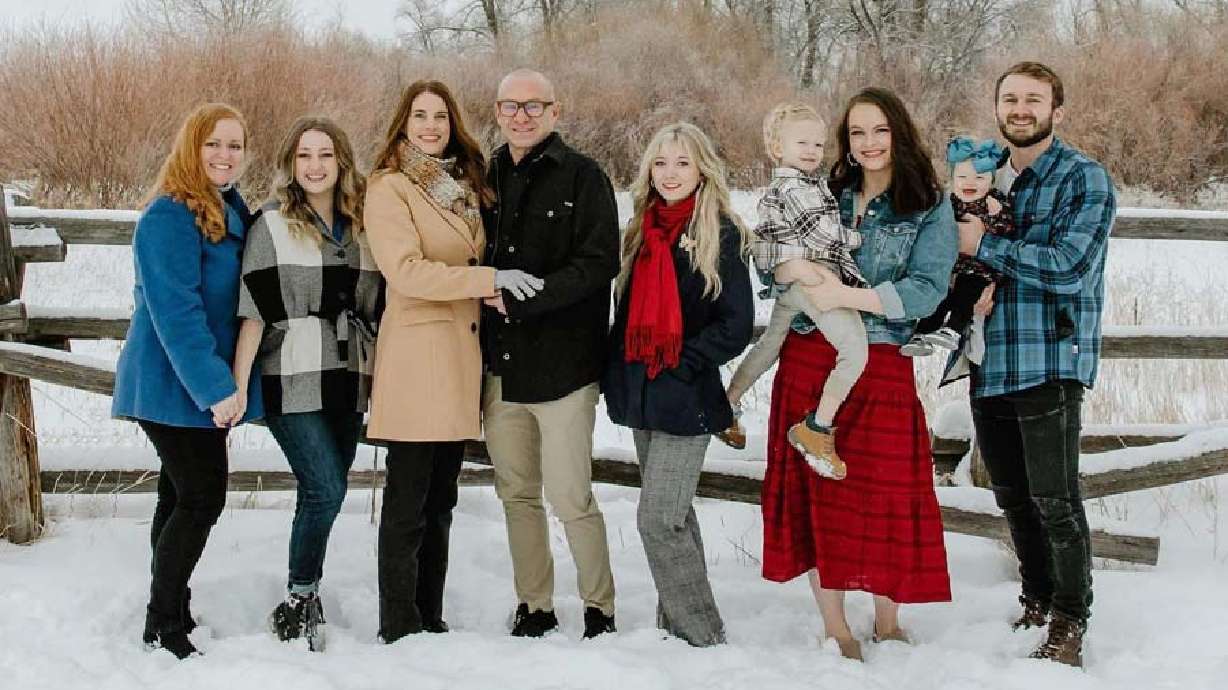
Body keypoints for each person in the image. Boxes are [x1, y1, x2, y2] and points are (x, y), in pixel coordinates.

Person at [759, 87, 956, 662]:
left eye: (880, 131)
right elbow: (768, 254)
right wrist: (785, 267)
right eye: (857, 134)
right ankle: (836, 626)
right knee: (820, 495)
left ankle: (888, 620)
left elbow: (926, 288)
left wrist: (851, 294)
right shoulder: (821, 192)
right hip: (810, 355)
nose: (868, 144)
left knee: (887, 494)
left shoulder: (927, 202)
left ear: (900, 132)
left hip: (880, 362)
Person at [958, 62, 1116, 668]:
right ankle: (1037, 598)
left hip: (1049, 354)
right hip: (989, 354)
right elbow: (950, 247)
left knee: (1055, 497)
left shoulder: (1084, 179)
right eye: (1010, 99)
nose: (1020, 109)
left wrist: (984, 246)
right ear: (998, 106)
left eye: (1033, 99)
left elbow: (1070, 266)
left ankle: (1071, 619)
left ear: (1057, 110)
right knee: (1013, 496)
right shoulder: (983, 174)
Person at [363, 80, 521, 643]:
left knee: (441, 499)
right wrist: (486, 281)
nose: (430, 126)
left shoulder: (460, 185)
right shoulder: (389, 188)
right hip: (416, 357)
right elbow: (404, 271)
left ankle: (430, 614)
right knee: (408, 500)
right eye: (419, 116)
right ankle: (398, 624)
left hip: (458, 357)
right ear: (403, 124)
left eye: (440, 117)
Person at [112, 102, 262, 659]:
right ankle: (165, 621)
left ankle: (170, 611)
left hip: (199, 381)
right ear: (190, 148)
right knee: (202, 496)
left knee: (177, 495)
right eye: (213, 144)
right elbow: (175, 311)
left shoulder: (229, 208)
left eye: (235, 146)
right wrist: (218, 389)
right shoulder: (169, 215)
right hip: (171, 381)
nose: (225, 155)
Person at [231, 116, 382, 651]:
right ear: (291, 164)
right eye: (303, 156)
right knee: (326, 488)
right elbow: (252, 312)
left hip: (348, 375)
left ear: (341, 160)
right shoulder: (271, 223)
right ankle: (297, 599)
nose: (314, 166)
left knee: (324, 493)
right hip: (289, 373)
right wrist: (237, 387)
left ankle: (308, 589)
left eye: (324, 154)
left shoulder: (363, 221)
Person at [480, 68, 619, 638]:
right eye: (511, 105)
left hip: (564, 368)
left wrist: (522, 301)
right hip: (501, 370)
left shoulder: (585, 177)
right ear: (497, 112)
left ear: (555, 112)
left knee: (569, 495)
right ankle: (534, 604)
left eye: (534, 105)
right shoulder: (483, 177)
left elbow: (597, 263)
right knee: (516, 494)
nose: (522, 115)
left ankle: (599, 608)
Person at [602, 122, 753, 647]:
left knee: (656, 519)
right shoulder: (640, 231)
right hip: (641, 394)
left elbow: (736, 324)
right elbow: (624, 318)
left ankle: (701, 635)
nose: (670, 174)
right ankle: (677, 628)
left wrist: (682, 362)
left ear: (702, 168)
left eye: (682, 163)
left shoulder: (723, 231)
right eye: (661, 164)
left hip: (686, 395)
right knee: (677, 516)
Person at [718, 103, 868, 481]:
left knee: (770, 344)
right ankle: (816, 429)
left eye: (818, 144)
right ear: (776, 147)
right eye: (802, 142)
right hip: (811, 281)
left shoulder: (793, 185)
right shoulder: (795, 186)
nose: (812, 151)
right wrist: (856, 236)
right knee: (854, 351)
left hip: (792, 285)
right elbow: (823, 235)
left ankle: (727, 403)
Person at [902, 135, 1012, 357]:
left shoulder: (994, 203)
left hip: (979, 269)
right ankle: (922, 332)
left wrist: (994, 216)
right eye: (962, 176)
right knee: (939, 297)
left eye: (979, 178)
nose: (970, 183)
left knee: (965, 294)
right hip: (950, 268)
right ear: (953, 179)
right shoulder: (947, 203)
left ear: (991, 181)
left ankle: (953, 329)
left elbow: (1006, 230)